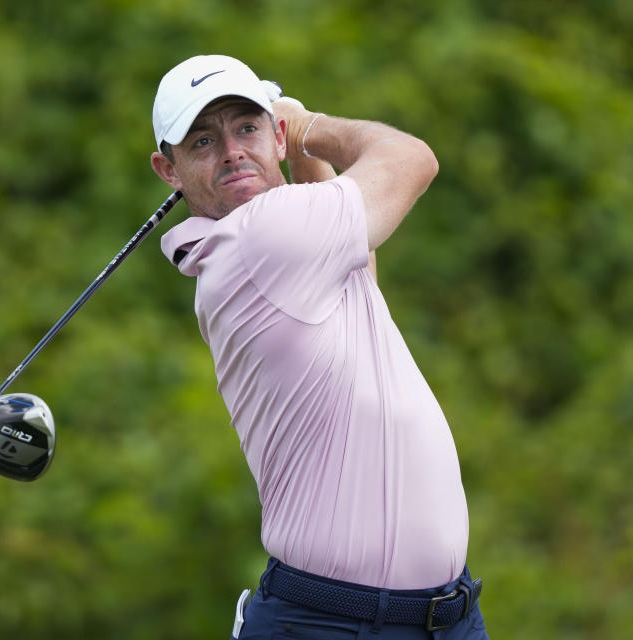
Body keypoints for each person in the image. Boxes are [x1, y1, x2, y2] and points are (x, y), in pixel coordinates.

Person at [150, 54, 488, 639]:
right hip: (331, 623)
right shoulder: (262, 237)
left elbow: (364, 271)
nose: (231, 150)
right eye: (203, 141)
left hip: (443, 618)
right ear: (169, 170)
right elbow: (413, 160)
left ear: (270, 136)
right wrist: (306, 126)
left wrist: (296, 147)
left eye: (246, 127)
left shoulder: (295, 243)